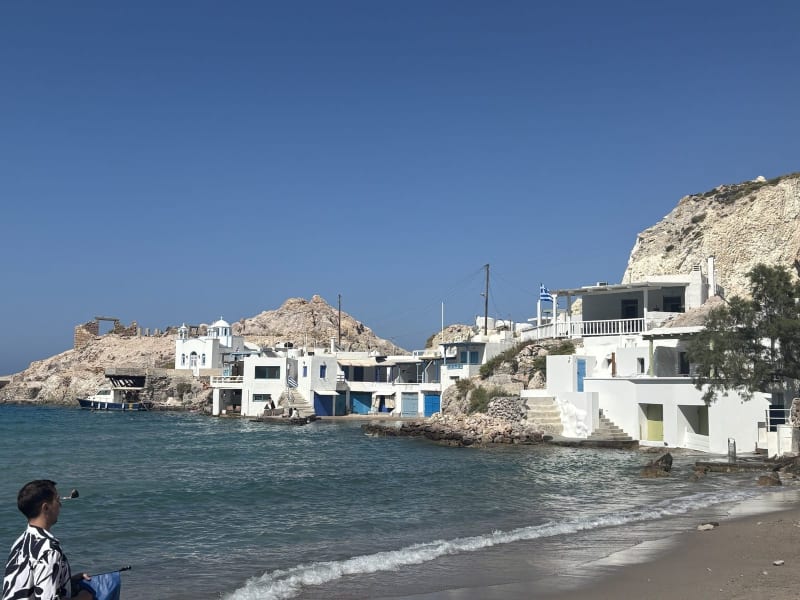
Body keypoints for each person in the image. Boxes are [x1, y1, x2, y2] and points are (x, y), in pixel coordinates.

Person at [2, 480, 92, 600]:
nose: (60, 505)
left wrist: (67, 581)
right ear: (45, 507)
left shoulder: (20, 542)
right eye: (57, 500)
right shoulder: (49, 549)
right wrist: (84, 597)